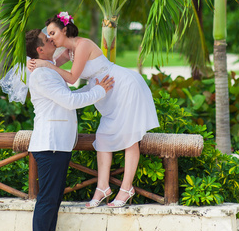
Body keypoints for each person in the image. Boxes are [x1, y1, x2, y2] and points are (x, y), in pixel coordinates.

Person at [28, 12, 160, 209]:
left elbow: (71, 78)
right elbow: (51, 65)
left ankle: (126, 188)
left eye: (53, 33)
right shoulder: (68, 51)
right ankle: (103, 187)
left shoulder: (83, 45)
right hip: (105, 90)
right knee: (104, 136)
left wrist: (46, 63)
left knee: (129, 136)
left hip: (121, 85)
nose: (51, 38)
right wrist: (33, 63)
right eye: (48, 36)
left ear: (65, 30)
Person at [25, 28, 114, 231]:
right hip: (50, 145)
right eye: (47, 40)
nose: (52, 40)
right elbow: (70, 101)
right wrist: (99, 91)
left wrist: (95, 87)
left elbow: (69, 94)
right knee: (47, 199)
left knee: (53, 199)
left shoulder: (46, 69)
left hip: (59, 145)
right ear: (39, 50)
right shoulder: (41, 74)